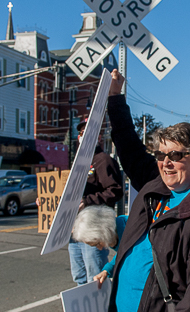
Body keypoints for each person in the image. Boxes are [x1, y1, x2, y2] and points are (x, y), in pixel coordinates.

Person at [106, 69, 190, 312]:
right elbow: (127, 143)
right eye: (160, 155)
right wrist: (115, 97)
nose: (166, 162)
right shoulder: (154, 184)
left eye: (175, 155)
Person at [68, 120, 123, 285]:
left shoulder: (103, 160)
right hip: (75, 227)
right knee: (79, 275)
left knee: (95, 276)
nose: (83, 136)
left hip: (93, 227)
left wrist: (87, 201)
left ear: (98, 136)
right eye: (81, 133)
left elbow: (116, 190)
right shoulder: (79, 162)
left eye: (87, 133)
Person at [72, 205, 127, 288]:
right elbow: (123, 253)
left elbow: (128, 252)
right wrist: (107, 270)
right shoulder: (116, 230)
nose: (100, 248)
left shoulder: (128, 232)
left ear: (103, 231)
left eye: (98, 244)